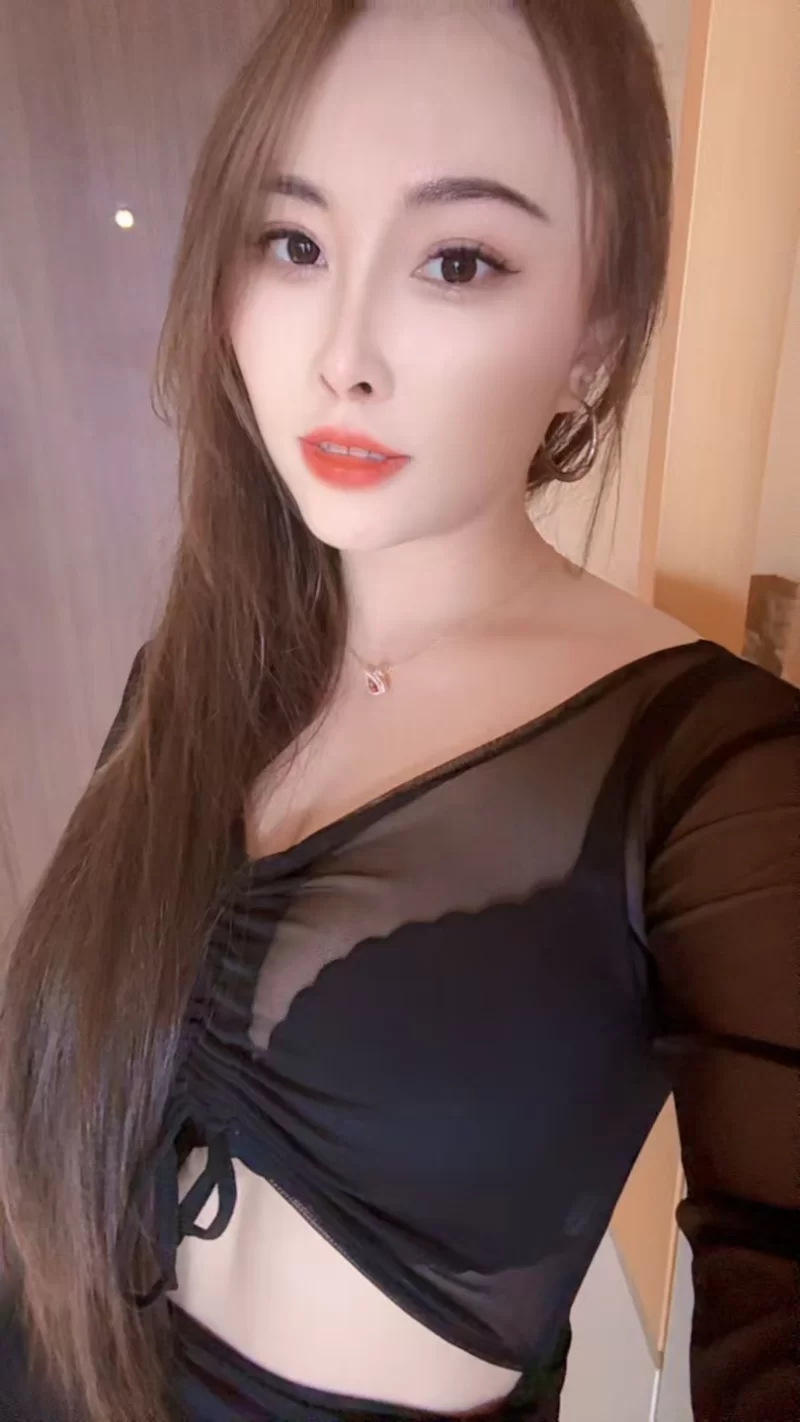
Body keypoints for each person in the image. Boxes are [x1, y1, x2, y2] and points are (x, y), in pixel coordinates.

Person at [1, 2, 798, 1421]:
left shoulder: (718, 778)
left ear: (599, 332)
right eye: (293, 242)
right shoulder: (189, 671)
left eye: (457, 260)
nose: (341, 355)